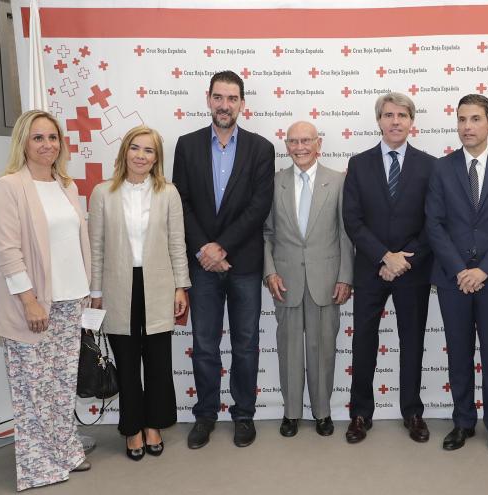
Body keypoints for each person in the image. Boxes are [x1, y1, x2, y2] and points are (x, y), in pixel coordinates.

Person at [0, 110, 91, 491]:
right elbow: (8, 252)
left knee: (62, 386)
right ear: (23, 143)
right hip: (31, 305)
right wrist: (30, 301)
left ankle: (65, 451)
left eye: (52, 137)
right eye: (38, 138)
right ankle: (39, 466)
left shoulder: (67, 185)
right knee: (34, 390)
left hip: (69, 300)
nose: (47, 145)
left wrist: (85, 294)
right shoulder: (9, 186)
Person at [172, 70, 275, 449]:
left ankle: (244, 415)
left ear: (242, 103)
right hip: (201, 265)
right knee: (204, 344)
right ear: (208, 99)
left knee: (246, 343)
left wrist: (222, 248)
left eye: (232, 98)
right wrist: (204, 249)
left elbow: (258, 206)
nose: (225, 105)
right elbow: (179, 202)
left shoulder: (261, 149)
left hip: (243, 263)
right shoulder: (186, 145)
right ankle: (205, 415)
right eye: (219, 97)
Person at [426, 94, 488, 456]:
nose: (467, 127)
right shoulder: (441, 168)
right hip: (453, 280)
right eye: (461, 119)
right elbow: (434, 225)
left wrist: (483, 270)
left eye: (474, 119)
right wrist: (460, 270)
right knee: (459, 356)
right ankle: (463, 422)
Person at [89, 125, 191, 460]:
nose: (141, 156)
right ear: (124, 152)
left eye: (149, 151)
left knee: (159, 364)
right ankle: (132, 429)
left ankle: (154, 426)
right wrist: (96, 291)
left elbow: (177, 244)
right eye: (135, 148)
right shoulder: (103, 193)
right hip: (119, 288)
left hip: (159, 287)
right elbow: (96, 247)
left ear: (157, 158)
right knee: (128, 364)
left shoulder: (168, 193)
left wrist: (181, 286)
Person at [343, 92, 436, 444]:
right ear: (378, 120)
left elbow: (433, 222)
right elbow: (352, 220)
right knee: (363, 341)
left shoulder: (430, 165)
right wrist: (385, 257)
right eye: (388, 115)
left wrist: (403, 260)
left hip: (413, 271)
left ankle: (412, 411)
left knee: (412, 341)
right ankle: (360, 414)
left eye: (402, 115)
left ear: (412, 121)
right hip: (370, 269)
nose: (395, 121)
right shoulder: (359, 163)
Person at [263, 121, 353, 437]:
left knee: (322, 349)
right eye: (293, 142)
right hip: (284, 281)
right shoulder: (273, 182)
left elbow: (345, 232)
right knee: (288, 350)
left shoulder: (338, 182)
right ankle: (290, 414)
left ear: (319, 143)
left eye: (306, 141)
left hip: (326, 280)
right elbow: (266, 233)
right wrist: (269, 271)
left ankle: (322, 413)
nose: (300, 147)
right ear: (286, 146)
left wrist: (345, 276)